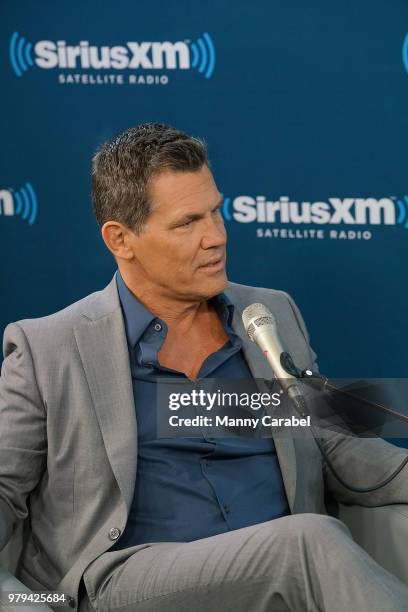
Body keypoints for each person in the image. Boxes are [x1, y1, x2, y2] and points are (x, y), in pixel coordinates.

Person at [0, 123, 407, 612]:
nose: (215, 237)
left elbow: (336, 443)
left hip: (277, 575)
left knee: (305, 542)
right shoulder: (49, 348)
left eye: (216, 211)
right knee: (308, 541)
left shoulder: (269, 314)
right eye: (187, 223)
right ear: (121, 239)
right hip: (129, 585)